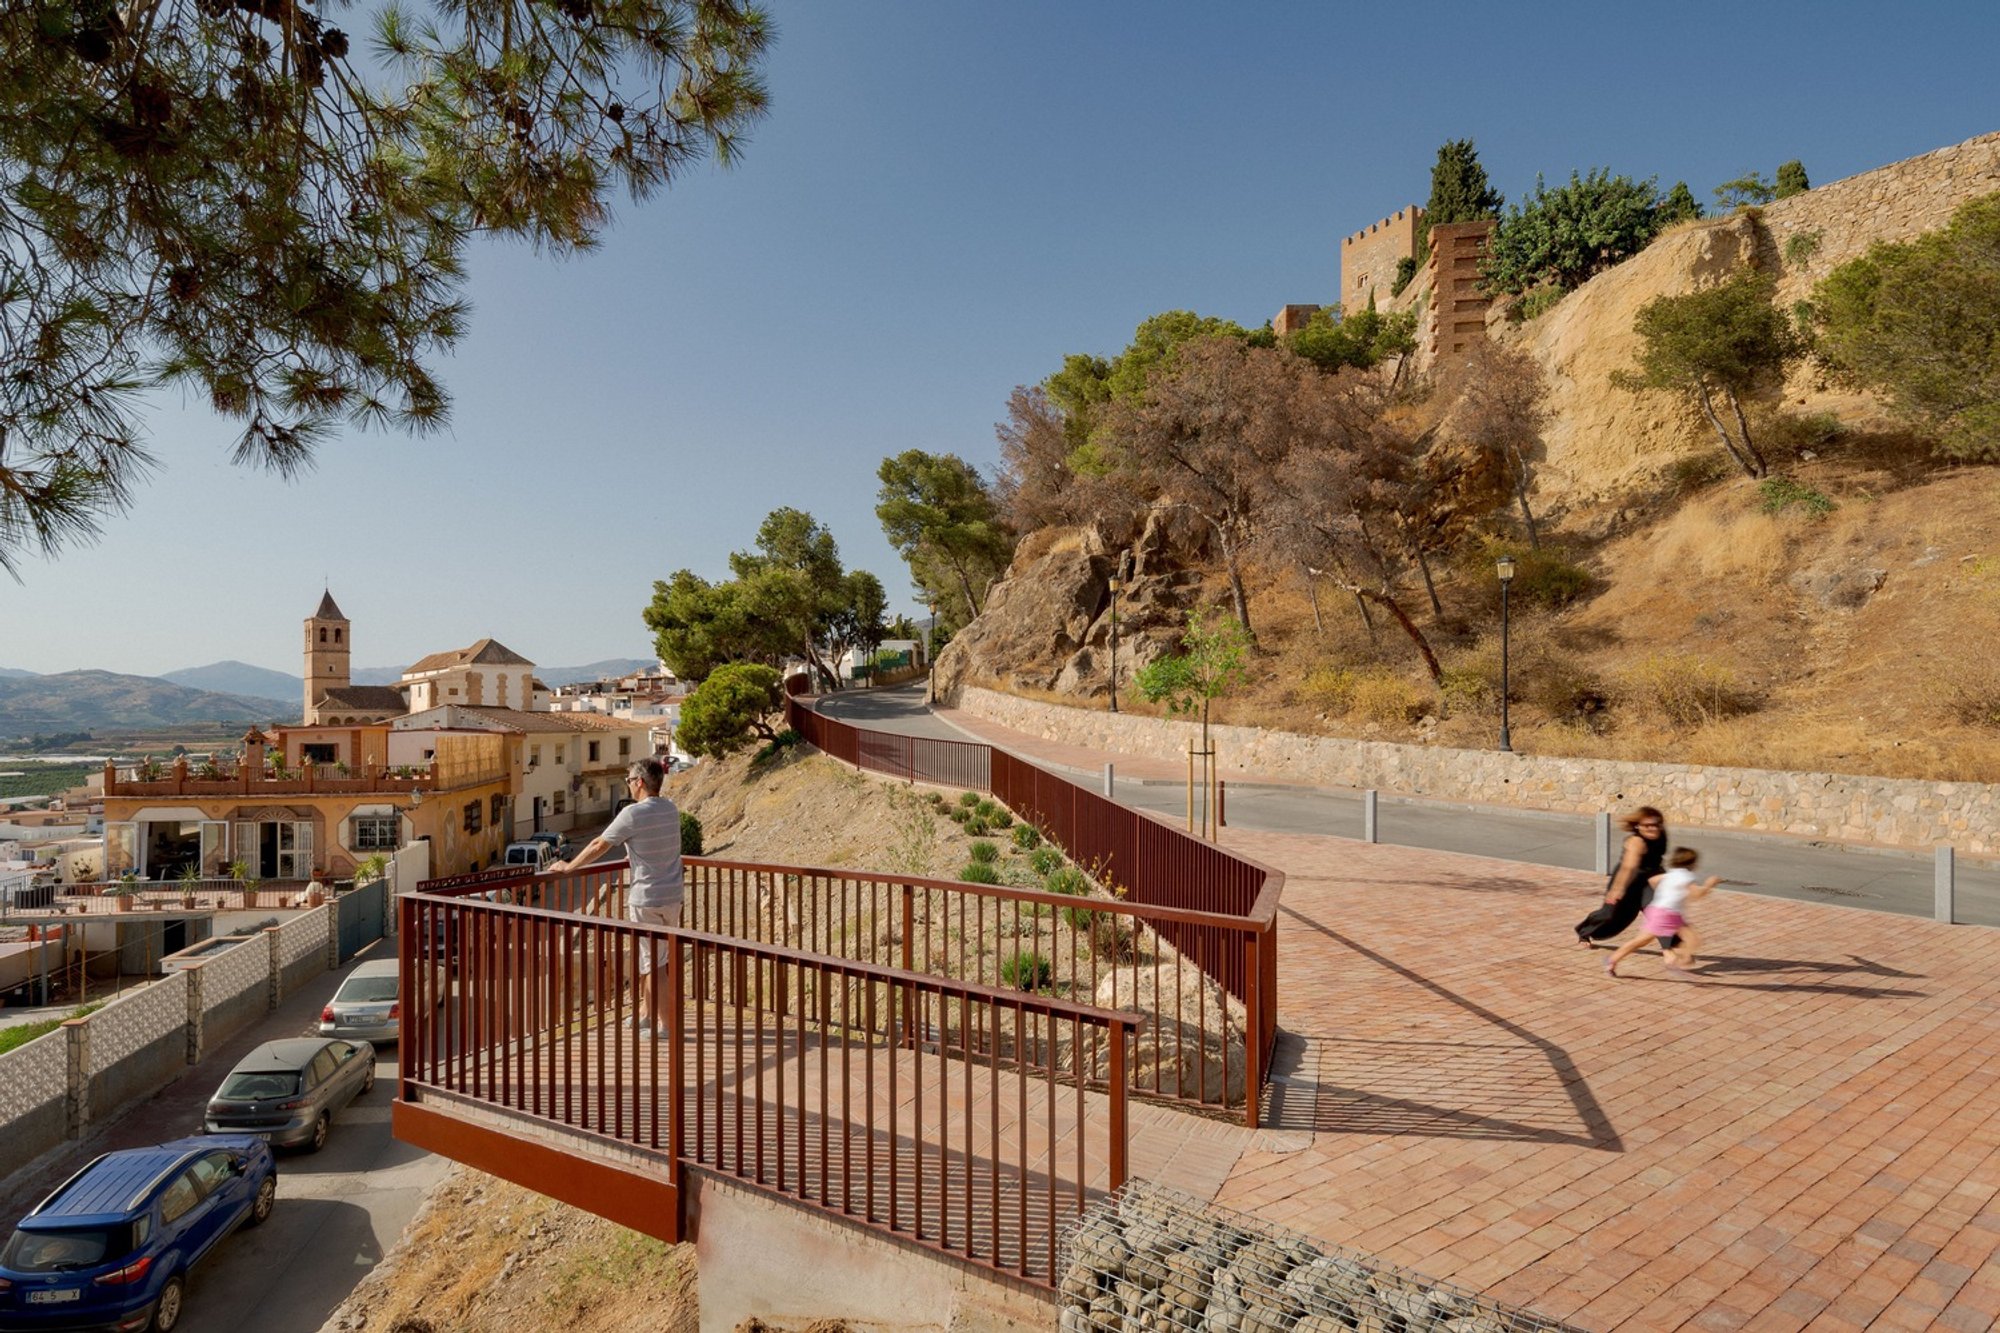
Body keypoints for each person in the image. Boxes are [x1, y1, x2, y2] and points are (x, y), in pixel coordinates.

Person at [547, 757, 684, 1031]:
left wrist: (568, 867)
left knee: (654, 964)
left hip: (647, 899)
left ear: (640, 782)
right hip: (673, 896)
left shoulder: (633, 813)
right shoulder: (670, 808)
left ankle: (668, 1026)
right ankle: (646, 1013)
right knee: (654, 958)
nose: (629, 785)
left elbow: (599, 845)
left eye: (630, 781)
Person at [1605, 847, 1717, 977]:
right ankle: (1677, 962)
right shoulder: (1687, 876)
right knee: (1693, 940)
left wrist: (1664, 894)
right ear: (1692, 863)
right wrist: (1710, 884)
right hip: (1668, 914)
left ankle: (1612, 960)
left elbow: (1653, 880)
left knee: (1641, 941)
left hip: (1658, 910)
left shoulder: (1671, 874)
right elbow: (1697, 895)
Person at [1574, 806, 1670, 946]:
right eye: (1647, 825)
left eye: (1656, 824)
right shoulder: (1636, 842)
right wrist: (1618, 889)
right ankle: (1584, 931)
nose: (1653, 828)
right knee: (1611, 915)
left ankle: (1672, 948)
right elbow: (1629, 868)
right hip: (1628, 880)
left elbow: (1656, 860)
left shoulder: (1661, 835)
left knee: (1657, 912)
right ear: (1637, 826)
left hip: (1649, 881)